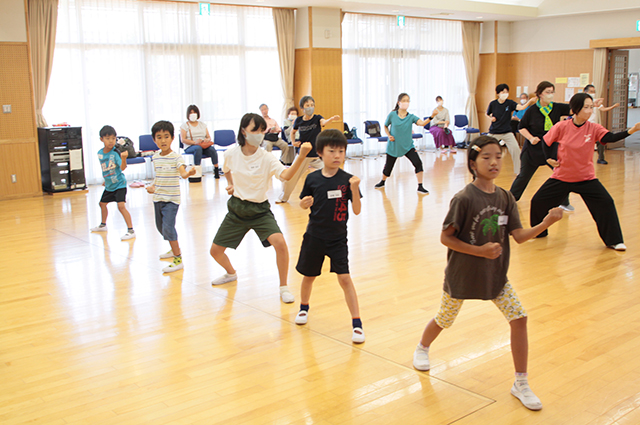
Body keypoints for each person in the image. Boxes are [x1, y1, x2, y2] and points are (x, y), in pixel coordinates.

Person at [412, 135, 564, 411]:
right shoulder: (464, 198)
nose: (494, 162)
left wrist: (545, 222)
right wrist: (480, 251)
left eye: (498, 156)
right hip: (462, 275)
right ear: (473, 163)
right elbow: (446, 238)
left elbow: (518, 236)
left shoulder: (506, 197)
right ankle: (422, 347)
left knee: (519, 317)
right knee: (444, 318)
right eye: (486, 157)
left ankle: (521, 382)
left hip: (496, 277)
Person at [209, 113, 314, 303]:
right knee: (215, 251)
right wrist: (231, 184)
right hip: (237, 210)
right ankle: (231, 273)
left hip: (260, 211)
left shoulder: (266, 157)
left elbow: (287, 175)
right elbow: (226, 170)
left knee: (280, 244)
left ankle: (283, 287)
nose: (258, 134)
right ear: (243, 131)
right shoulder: (231, 153)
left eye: (261, 130)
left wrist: (301, 156)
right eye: (254, 130)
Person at [530, 92, 638, 250]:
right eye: (586, 107)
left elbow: (610, 138)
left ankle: (614, 241)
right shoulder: (562, 126)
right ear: (575, 109)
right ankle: (538, 232)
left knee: (606, 203)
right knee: (538, 201)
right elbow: (546, 142)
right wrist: (548, 158)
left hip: (585, 178)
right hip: (562, 177)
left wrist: (632, 130)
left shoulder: (593, 128)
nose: (589, 111)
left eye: (591, 107)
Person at [294, 129, 365, 343]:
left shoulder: (348, 180)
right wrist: (302, 203)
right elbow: (303, 201)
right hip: (314, 236)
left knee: (344, 278)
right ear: (320, 153)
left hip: (337, 238)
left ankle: (357, 323)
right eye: (332, 151)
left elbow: (357, 210)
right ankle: (304, 308)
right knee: (309, 276)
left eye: (341, 151)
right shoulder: (312, 178)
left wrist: (354, 189)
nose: (337, 155)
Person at [509, 81, 573, 211]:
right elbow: (521, 127)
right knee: (523, 176)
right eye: (547, 92)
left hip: (551, 148)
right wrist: (531, 138)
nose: (550, 95)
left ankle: (564, 202)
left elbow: (573, 109)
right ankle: (510, 200)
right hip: (533, 149)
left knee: (561, 174)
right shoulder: (532, 110)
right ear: (540, 94)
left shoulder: (556, 108)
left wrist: (590, 104)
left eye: (552, 92)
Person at [146, 120, 196, 273]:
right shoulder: (155, 158)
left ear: (172, 138)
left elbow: (182, 173)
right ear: (154, 140)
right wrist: (153, 186)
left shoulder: (177, 158)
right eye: (159, 137)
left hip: (172, 200)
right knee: (161, 228)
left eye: (166, 136)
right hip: (158, 198)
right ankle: (172, 248)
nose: (163, 140)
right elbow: (159, 176)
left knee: (168, 227)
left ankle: (178, 258)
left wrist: (189, 173)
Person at [276, 95, 340, 203]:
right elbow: (293, 132)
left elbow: (323, 122)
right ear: (302, 108)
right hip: (303, 155)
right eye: (307, 105)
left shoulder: (317, 118)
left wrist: (332, 119)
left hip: (317, 156)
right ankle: (283, 197)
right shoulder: (299, 120)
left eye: (312, 105)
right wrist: (293, 142)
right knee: (291, 178)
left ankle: (334, 196)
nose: (310, 107)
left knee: (330, 174)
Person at [374, 93, 431, 194]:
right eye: (404, 100)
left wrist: (432, 116)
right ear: (399, 102)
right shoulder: (392, 115)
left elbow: (422, 123)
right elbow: (385, 126)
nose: (406, 103)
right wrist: (389, 135)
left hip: (408, 146)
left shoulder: (411, 117)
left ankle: (420, 186)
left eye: (408, 101)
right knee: (388, 168)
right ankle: (382, 181)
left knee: (418, 163)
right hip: (394, 146)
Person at [91, 125, 135, 241]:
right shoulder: (100, 153)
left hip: (119, 184)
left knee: (121, 206)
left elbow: (122, 168)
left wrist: (124, 158)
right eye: (107, 138)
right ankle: (103, 225)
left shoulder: (116, 153)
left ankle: (131, 230)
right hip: (109, 185)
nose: (111, 141)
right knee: (102, 204)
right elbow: (105, 168)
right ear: (101, 139)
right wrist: (105, 180)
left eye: (113, 138)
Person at [486, 84, 536, 174]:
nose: (505, 94)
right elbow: (488, 113)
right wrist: (491, 118)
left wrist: (529, 102)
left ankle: (519, 172)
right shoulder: (493, 104)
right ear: (498, 93)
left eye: (506, 92)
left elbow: (521, 107)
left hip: (507, 132)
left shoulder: (510, 103)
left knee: (516, 149)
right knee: (485, 148)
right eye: (503, 92)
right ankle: (484, 170)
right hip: (494, 131)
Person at [180, 104, 220, 180]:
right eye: (191, 113)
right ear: (188, 114)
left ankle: (216, 170)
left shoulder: (202, 125)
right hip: (190, 146)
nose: (193, 114)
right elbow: (183, 140)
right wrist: (194, 142)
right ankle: (197, 171)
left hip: (202, 145)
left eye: (194, 112)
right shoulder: (185, 126)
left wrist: (207, 139)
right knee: (197, 148)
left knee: (212, 150)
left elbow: (208, 136)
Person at [583, 84, 620, 165]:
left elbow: (603, 109)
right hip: (583, 125)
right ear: (585, 92)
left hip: (593, 125)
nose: (593, 93)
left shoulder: (596, 101)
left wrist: (613, 107)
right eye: (591, 91)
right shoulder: (581, 101)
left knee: (601, 140)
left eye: (594, 91)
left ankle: (601, 158)